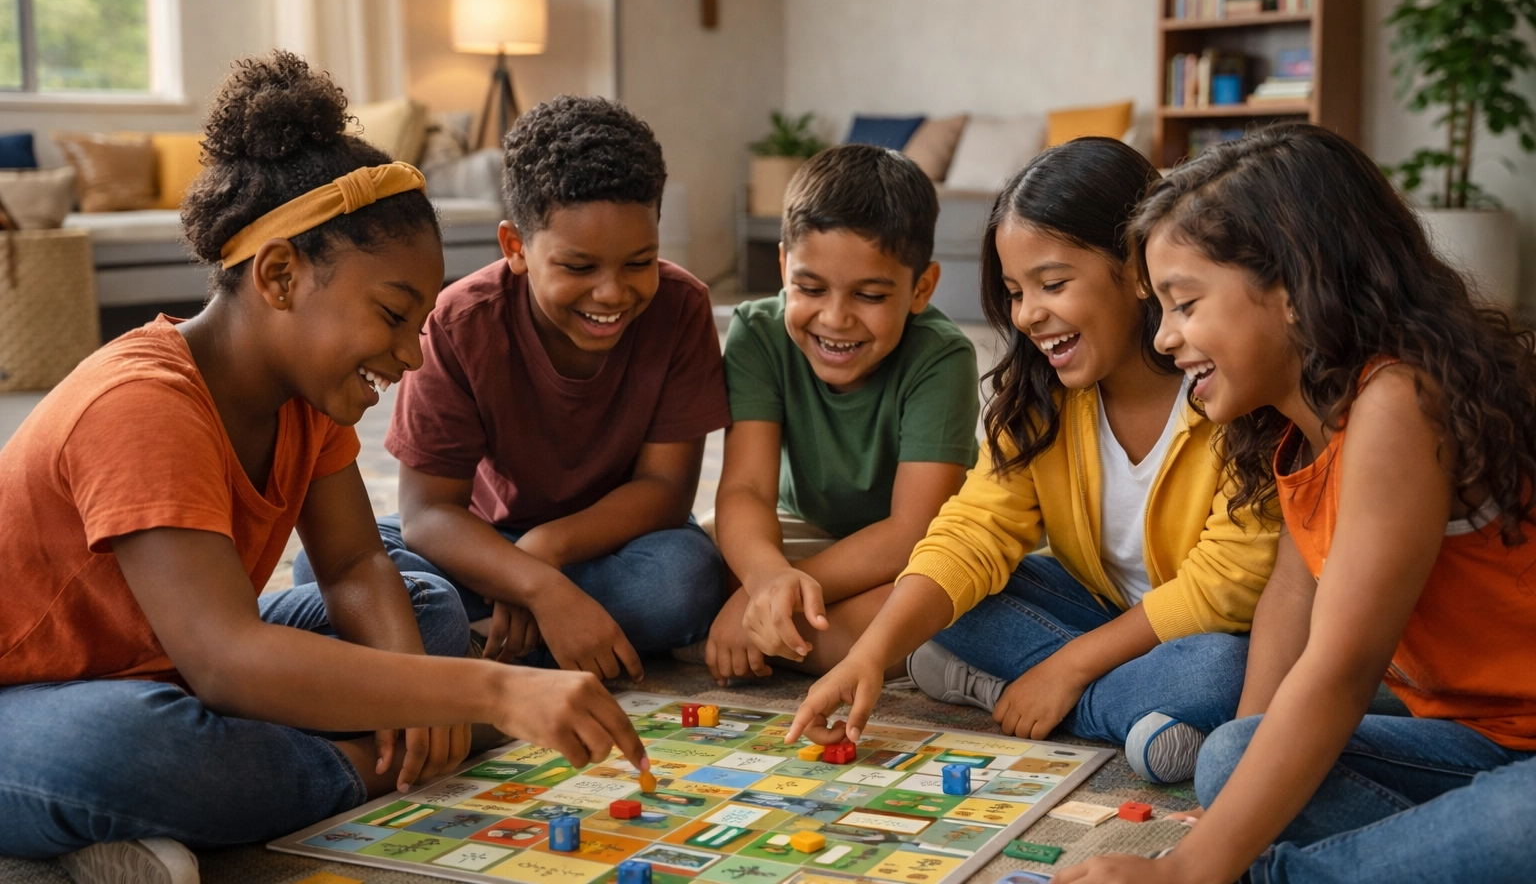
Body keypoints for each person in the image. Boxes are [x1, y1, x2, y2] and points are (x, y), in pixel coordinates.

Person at [0, 54, 648, 883]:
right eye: (390, 314)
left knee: (426, 608)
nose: (411, 355)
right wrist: (483, 696)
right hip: (45, 702)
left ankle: (197, 804)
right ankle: (354, 768)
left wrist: (420, 687)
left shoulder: (306, 392)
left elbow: (350, 561)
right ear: (278, 274)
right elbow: (227, 661)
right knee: (128, 744)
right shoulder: (142, 403)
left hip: (173, 669)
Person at [1058, 124, 1536, 884]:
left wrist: (1190, 870)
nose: (1166, 340)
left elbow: (1343, 672)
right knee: (1234, 756)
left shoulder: (1398, 400)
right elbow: (1292, 594)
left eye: (1184, 304)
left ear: (1290, 288)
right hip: (1474, 745)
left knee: (1516, 825)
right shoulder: (1297, 428)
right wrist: (1226, 815)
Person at [787, 137, 1277, 783]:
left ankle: (1020, 693)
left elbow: (1228, 586)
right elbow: (973, 532)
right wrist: (873, 657)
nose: (1028, 316)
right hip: (1103, 618)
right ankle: (1126, 711)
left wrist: (1065, 670)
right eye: (1015, 291)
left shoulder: (1227, 383)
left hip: (1207, 636)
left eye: (1052, 284)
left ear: (1137, 270)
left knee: (1222, 671)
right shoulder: (1043, 400)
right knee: (950, 595)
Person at [315, 95, 730, 679]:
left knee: (686, 577)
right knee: (335, 561)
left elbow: (665, 490)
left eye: (639, 262)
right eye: (580, 268)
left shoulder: (682, 307)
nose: (612, 293)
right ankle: (562, 636)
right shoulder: (460, 322)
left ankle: (477, 646)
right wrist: (536, 586)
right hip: (481, 540)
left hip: (609, 544)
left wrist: (545, 554)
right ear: (515, 248)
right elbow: (430, 512)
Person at [700, 144, 979, 684]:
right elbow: (747, 493)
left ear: (921, 288)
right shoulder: (758, 331)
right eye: (808, 288)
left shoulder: (943, 356)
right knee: (688, 569)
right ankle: (812, 640)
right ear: (783, 265)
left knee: (957, 601)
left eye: (870, 294)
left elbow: (910, 531)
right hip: (799, 533)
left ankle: (786, 639)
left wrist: (774, 592)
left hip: (907, 552)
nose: (835, 318)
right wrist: (766, 579)